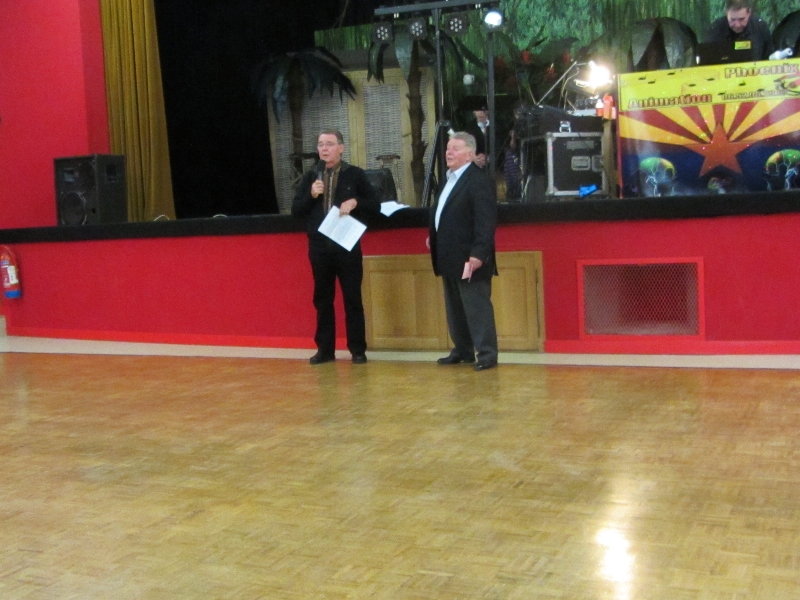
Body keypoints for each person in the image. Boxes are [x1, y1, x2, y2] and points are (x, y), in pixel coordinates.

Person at [292, 129, 381, 365]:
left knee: (352, 298)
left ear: (341, 148)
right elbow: (296, 211)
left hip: (346, 246)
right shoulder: (311, 177)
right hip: (319, 247)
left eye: (329, 144)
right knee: (322, 299)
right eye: (321, 144)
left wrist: (356, 201)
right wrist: (311, 195)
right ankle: (325, 350)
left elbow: (375, 205)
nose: (324, 148)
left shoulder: (355, 175)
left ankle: (357, 349)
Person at [427, 132, 499, 372]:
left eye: (455, 149)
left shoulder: (478, 181)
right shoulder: (449, 179)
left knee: (477, 307)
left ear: (469, 154)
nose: (448, 152)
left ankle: (486, 353)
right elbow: (446, 214)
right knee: (455, 308)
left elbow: (485, 222)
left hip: (470, 257)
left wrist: (478, 254)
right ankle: (463, 349)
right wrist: (435, 236)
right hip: (448, 255)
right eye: (448, 148)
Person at [705, 0, 774, 61]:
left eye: (741, 19)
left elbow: (769, 57)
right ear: (726, 13)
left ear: (749, 13)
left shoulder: (760, 27)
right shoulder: (716, 29)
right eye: (732, 20)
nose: (737, 25)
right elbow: (708, 58)